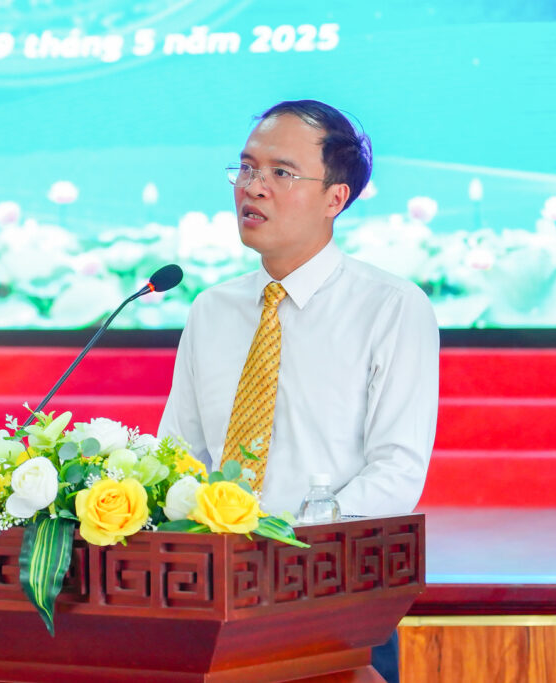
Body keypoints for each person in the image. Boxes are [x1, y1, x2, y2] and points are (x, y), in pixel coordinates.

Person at [157, 100, 439, 683]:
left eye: (281, 172)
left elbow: (397, 469)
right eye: (246, 168)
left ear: (335, 198)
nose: (253, 187)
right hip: (213, 597)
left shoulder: (390, 307)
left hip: (329, 597)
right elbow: (178, 456)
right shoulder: (211, 310)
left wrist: (287, 546)